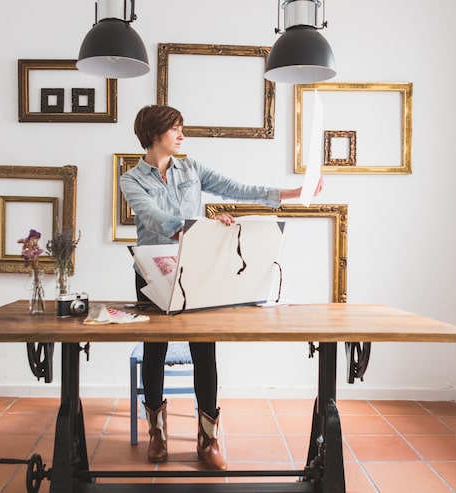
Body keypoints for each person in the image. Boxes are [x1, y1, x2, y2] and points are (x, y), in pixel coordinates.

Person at [120, 104, 323, 470]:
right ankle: (157, 434)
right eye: (175, 129)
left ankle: (208, 438)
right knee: (154, 351)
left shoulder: (192, 169)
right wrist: (198, 226)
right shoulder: (131, 179)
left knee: (204, 351)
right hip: (152, 272)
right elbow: (152, 216)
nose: (181, 135)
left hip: (195, 270)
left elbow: (236, 188)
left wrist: (293, 192)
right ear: (154, 134)